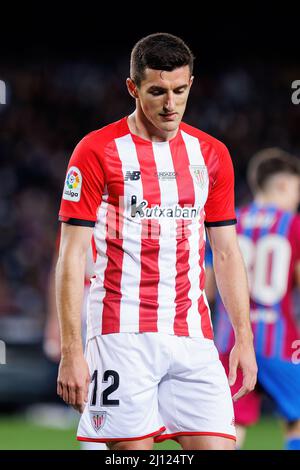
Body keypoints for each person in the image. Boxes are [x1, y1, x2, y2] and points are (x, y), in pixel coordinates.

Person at [56, 32, 257, 451]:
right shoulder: (96, 151)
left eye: (180, 91)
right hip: (119, 334)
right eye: (157, 91)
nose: (171, 104)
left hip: (192, 335)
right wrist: (72, 350)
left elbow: (226, 251)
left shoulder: (212, 154)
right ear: (133, 88)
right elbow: (71, 257)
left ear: (191, 85)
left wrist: (244, 337)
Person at [205, 148, 300, 450]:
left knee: (232, 427)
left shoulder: (228, 222)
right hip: (281, 341)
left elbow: (205, 287)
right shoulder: (293, 225)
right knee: (297, 420)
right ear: (284, 185)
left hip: (230, 341)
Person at [44, 230, 107, 450]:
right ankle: (93, 429)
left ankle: (99, 427)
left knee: (103, 370)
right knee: (89, 369)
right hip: (83, 296)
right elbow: (59, 267)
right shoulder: (78, 219)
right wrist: (54, 322)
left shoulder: (118, 212)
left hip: (113, 296)